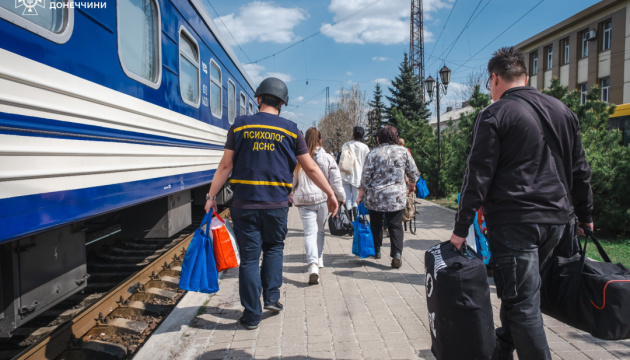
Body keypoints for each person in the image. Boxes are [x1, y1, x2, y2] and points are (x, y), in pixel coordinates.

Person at [449, 47, 593, 360]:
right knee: (521, 296)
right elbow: (580, 169)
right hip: (559, 222)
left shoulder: (494, 114)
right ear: (526, 77)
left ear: (495, 78)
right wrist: (586, 216)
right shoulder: (562, 110)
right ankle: (501, 350)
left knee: (523, 304)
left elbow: (477, 177)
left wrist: (460, 230)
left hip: (517, 223)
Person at [204, 77, 339, 330]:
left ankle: (252, 314)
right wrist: (330, 193)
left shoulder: (240, 126)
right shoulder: (291, 130)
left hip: (244, 205)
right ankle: (273, 299)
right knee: (275, 248)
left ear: (258, 99)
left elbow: (225, 166)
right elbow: (310, 167)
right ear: (282, 103)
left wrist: (211, 197)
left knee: (250, 259)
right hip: (276, 205)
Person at [357, 125, 419, 268]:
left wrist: (361, 193)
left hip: (375, 196)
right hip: (396, 196)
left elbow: (366, 177)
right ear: (396, 137)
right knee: (395, 225)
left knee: (376, 224)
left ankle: (377, 250)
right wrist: (412, 186)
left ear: (379, 138)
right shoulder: (403, 152)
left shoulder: (373, 153)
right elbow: (413, 172)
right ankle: (396, 254)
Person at [290, 128, 345, 284]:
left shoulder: (299, 158)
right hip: (322, 198)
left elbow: (292, 179)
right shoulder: (328, 157)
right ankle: (319, 258)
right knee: (320, 231)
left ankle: (312, 265)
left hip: (304, 200)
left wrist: (290, 193)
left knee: (309, 233)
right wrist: (341, 197)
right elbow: (335, 180)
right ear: (320, 140)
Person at [339, 126, 370, 220]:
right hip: (358, 176)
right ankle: (355, 223)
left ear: (353, 134)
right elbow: (367, 162)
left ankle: (349, 223)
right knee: (356, 200)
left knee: (347, 199)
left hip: (345, 174)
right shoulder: (364, 147)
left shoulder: (346, 145)